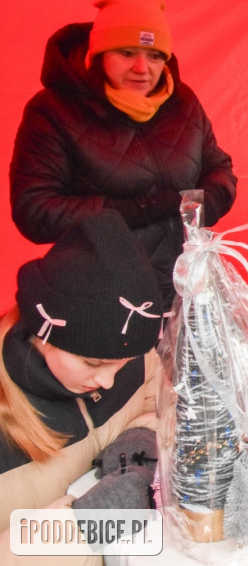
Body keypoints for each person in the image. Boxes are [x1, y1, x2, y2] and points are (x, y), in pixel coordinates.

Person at [9, 0, 237, 311]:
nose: (143, 69)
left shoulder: (182, 101)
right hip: (103, 295)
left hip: (187, 288)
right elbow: (35, 210)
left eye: (155, 55)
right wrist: (140, 209)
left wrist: (204, 203)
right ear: (99, 53)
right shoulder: (54, 109)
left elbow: (218, 168)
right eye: (127, 53)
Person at [0, 210, 164, 562]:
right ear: (43, 334)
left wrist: (140, 444)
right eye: (92, 364)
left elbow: (156, 403)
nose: (107, 381)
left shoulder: (132, 354)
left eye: (123, 365)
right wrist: (85, 526)